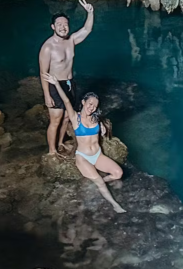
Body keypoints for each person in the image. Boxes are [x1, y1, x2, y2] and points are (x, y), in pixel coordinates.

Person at [44, 73, 126, 213]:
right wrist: (56, 84)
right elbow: (67, 101)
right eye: (90, 104)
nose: (92, 107)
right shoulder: (75, 118)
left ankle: (99, 182)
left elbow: (104, 123)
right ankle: (114, 204)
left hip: (98, 155)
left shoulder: (95, 119)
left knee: (118, 173)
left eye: (95, 105)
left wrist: (103, 128)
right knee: (99, 181)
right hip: (83, 158)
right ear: (83, 102)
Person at [39, 0, 95, 156]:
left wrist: (90, 12)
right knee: (55, 120)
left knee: (66, 118)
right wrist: (47, 95)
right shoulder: (48, 47)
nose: (63, 28)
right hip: (54, 85)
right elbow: (43, 73)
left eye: (65, 25)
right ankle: (52, 151)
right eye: (59, 25)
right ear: (53, 27)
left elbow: (87, 30)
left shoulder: (71, 40)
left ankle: (61, 142)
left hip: (70, 84)